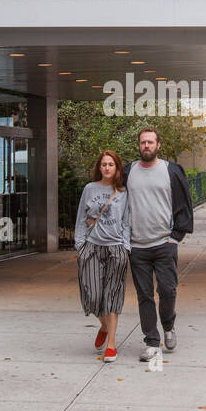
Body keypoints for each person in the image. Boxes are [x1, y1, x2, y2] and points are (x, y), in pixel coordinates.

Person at [124, 127, 194, 362]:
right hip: (137, 246)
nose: (146, 145)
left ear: (158, 145)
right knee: (144, 295)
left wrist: (176, 236)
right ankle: (152, 342)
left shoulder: (171, 170)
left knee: (167, 290)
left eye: (150, 142)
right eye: (143, 142)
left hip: (165, 243)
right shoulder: (128, 171)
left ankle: (168, 325)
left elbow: (184, 203)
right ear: (139, 145)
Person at [74, 150, 131, 362]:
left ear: (117, 168)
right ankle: (104, 327)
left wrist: (125, 247)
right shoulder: (90, 189)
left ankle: (111, 345)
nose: (107, 168)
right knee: (92, 295)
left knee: (112, 297)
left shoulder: (123, 192)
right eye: (104, 164)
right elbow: (81, 217)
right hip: (92, 248)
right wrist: (80, 245)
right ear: (99, 167)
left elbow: (127, 221)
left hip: (115, 248)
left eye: (111, 164)